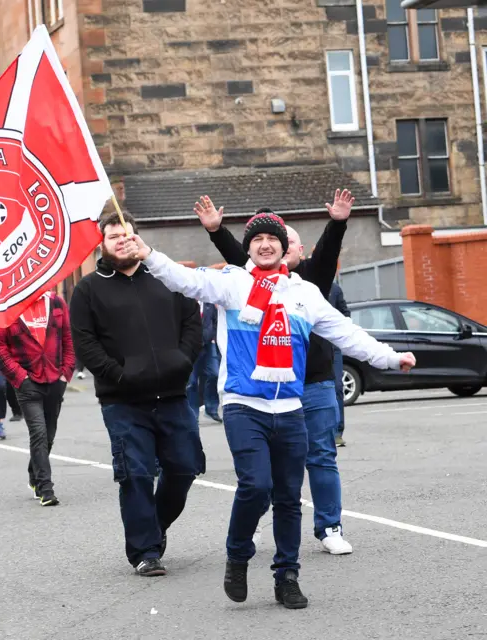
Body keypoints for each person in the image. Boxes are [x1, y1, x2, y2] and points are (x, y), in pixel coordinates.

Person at [123, 214, 415, 608]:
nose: (265, 244)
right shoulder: (232, 284)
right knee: (256, 485)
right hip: (245, 404)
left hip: (291, 407)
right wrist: (150, 255)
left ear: (283, 247)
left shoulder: (305, 293)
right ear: (248, 247)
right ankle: (238, 556)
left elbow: (347, 333)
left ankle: (287, 575)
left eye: (271, 239)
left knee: (289, 498)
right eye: (257, 238)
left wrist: (392, 359)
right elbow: (186, 280)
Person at [194, 191, 358, 555]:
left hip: (313, 383)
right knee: (266, 471)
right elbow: (239, 256)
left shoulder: (310, 282)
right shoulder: (254, 282)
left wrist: (338, 223)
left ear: (296, 250)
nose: (278, 248)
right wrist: (216, 231)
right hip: (269, 387)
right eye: (267, 241)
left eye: (288, 242)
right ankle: (251, 524)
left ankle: (329, 526)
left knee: (322, 455)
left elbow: (329, 254)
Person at [70, 211, 204, 577]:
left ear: (138, 237)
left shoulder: (166, 276)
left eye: (128, 235)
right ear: (103, 242)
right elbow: (85, 342)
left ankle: (153, 529)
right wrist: (118, 374)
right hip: (123, 401)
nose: (123, 241)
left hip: (173, 395)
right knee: (136, 475)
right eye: (114, 237)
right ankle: (145, 551)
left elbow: (193, 322)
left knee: (184, 468)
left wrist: (184, 360)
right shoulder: (88, 290)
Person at [0, 291, 75, 506]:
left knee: (48, 436)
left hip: (55, 380)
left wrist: (65, 373)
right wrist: (20, 377)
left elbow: (68, 338)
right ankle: (46, 489)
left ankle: (34, 474)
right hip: (28, 383)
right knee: (38, 433)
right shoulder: (7, 307)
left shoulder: (56, 302)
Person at [186, 302, 221, 422]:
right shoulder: (185, 302)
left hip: (208, 345)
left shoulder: (209, 304)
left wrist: (214, 338)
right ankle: (192, 414)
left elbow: (216, 321)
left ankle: (211, 408)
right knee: (191, 382)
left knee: (214, 374)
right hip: (190, 346)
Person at [329, 281, 350, 446]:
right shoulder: (305, 284)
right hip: (310, 346)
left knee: (337, 388)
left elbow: (345, 314)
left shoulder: (335, 288)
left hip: (333, 346)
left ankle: (337, 432)